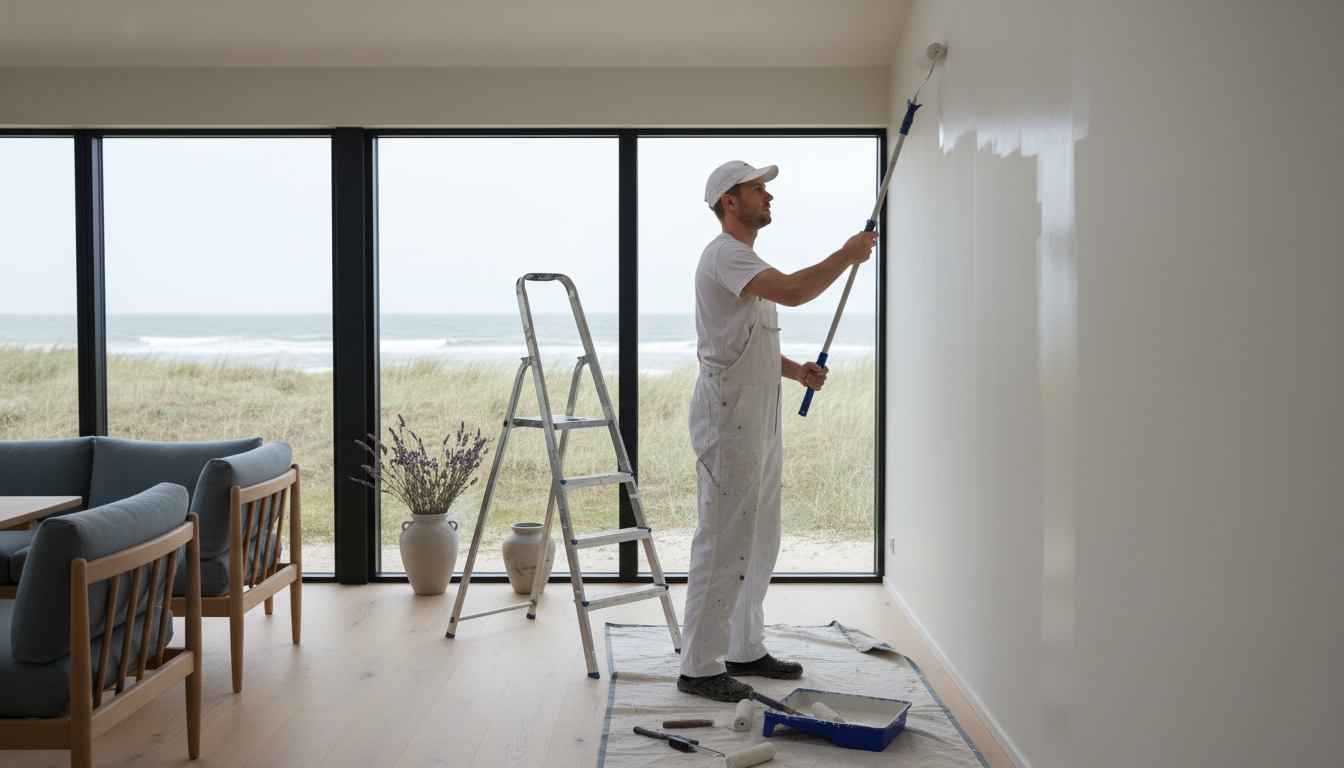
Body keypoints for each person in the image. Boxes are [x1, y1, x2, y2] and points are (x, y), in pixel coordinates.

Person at [677, 160, 878, 701]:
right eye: (757, 189)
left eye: (767, 189)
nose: (769, 196)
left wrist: (796, 370)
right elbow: (792, 292)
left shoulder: (746, 259)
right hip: (730, 411)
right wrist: (846, 254)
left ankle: (745, 648)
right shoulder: (725, 254)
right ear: (729, 201)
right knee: (724, 537)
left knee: (761, 535)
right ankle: (698, 665)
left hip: (759, 409)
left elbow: (748, 337)